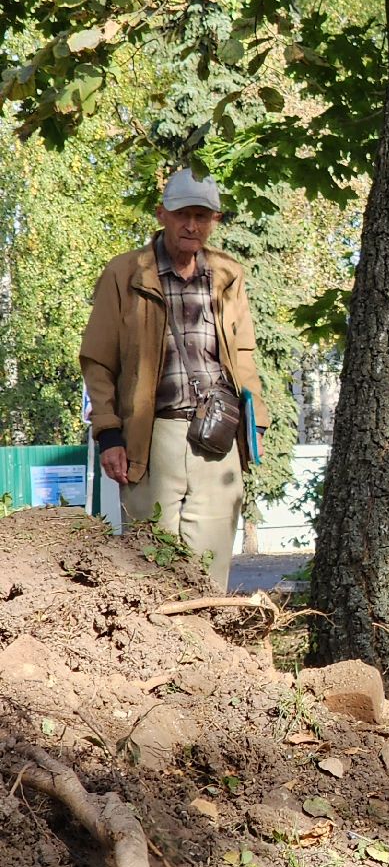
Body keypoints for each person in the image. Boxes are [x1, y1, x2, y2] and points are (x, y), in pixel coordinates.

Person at [80, 169, 269, 590]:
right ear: (161, 214)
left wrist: (254, 420)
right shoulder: (126, 274)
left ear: (215, 221)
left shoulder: (227, 275)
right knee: (151, 565)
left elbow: (243, 354)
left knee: (210, 567)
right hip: (151, 436)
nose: (192, 225)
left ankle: (209, 654)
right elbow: (98, 360)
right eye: (183, 214)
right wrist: (109, 434)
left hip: (216, 435)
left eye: (203, 216)